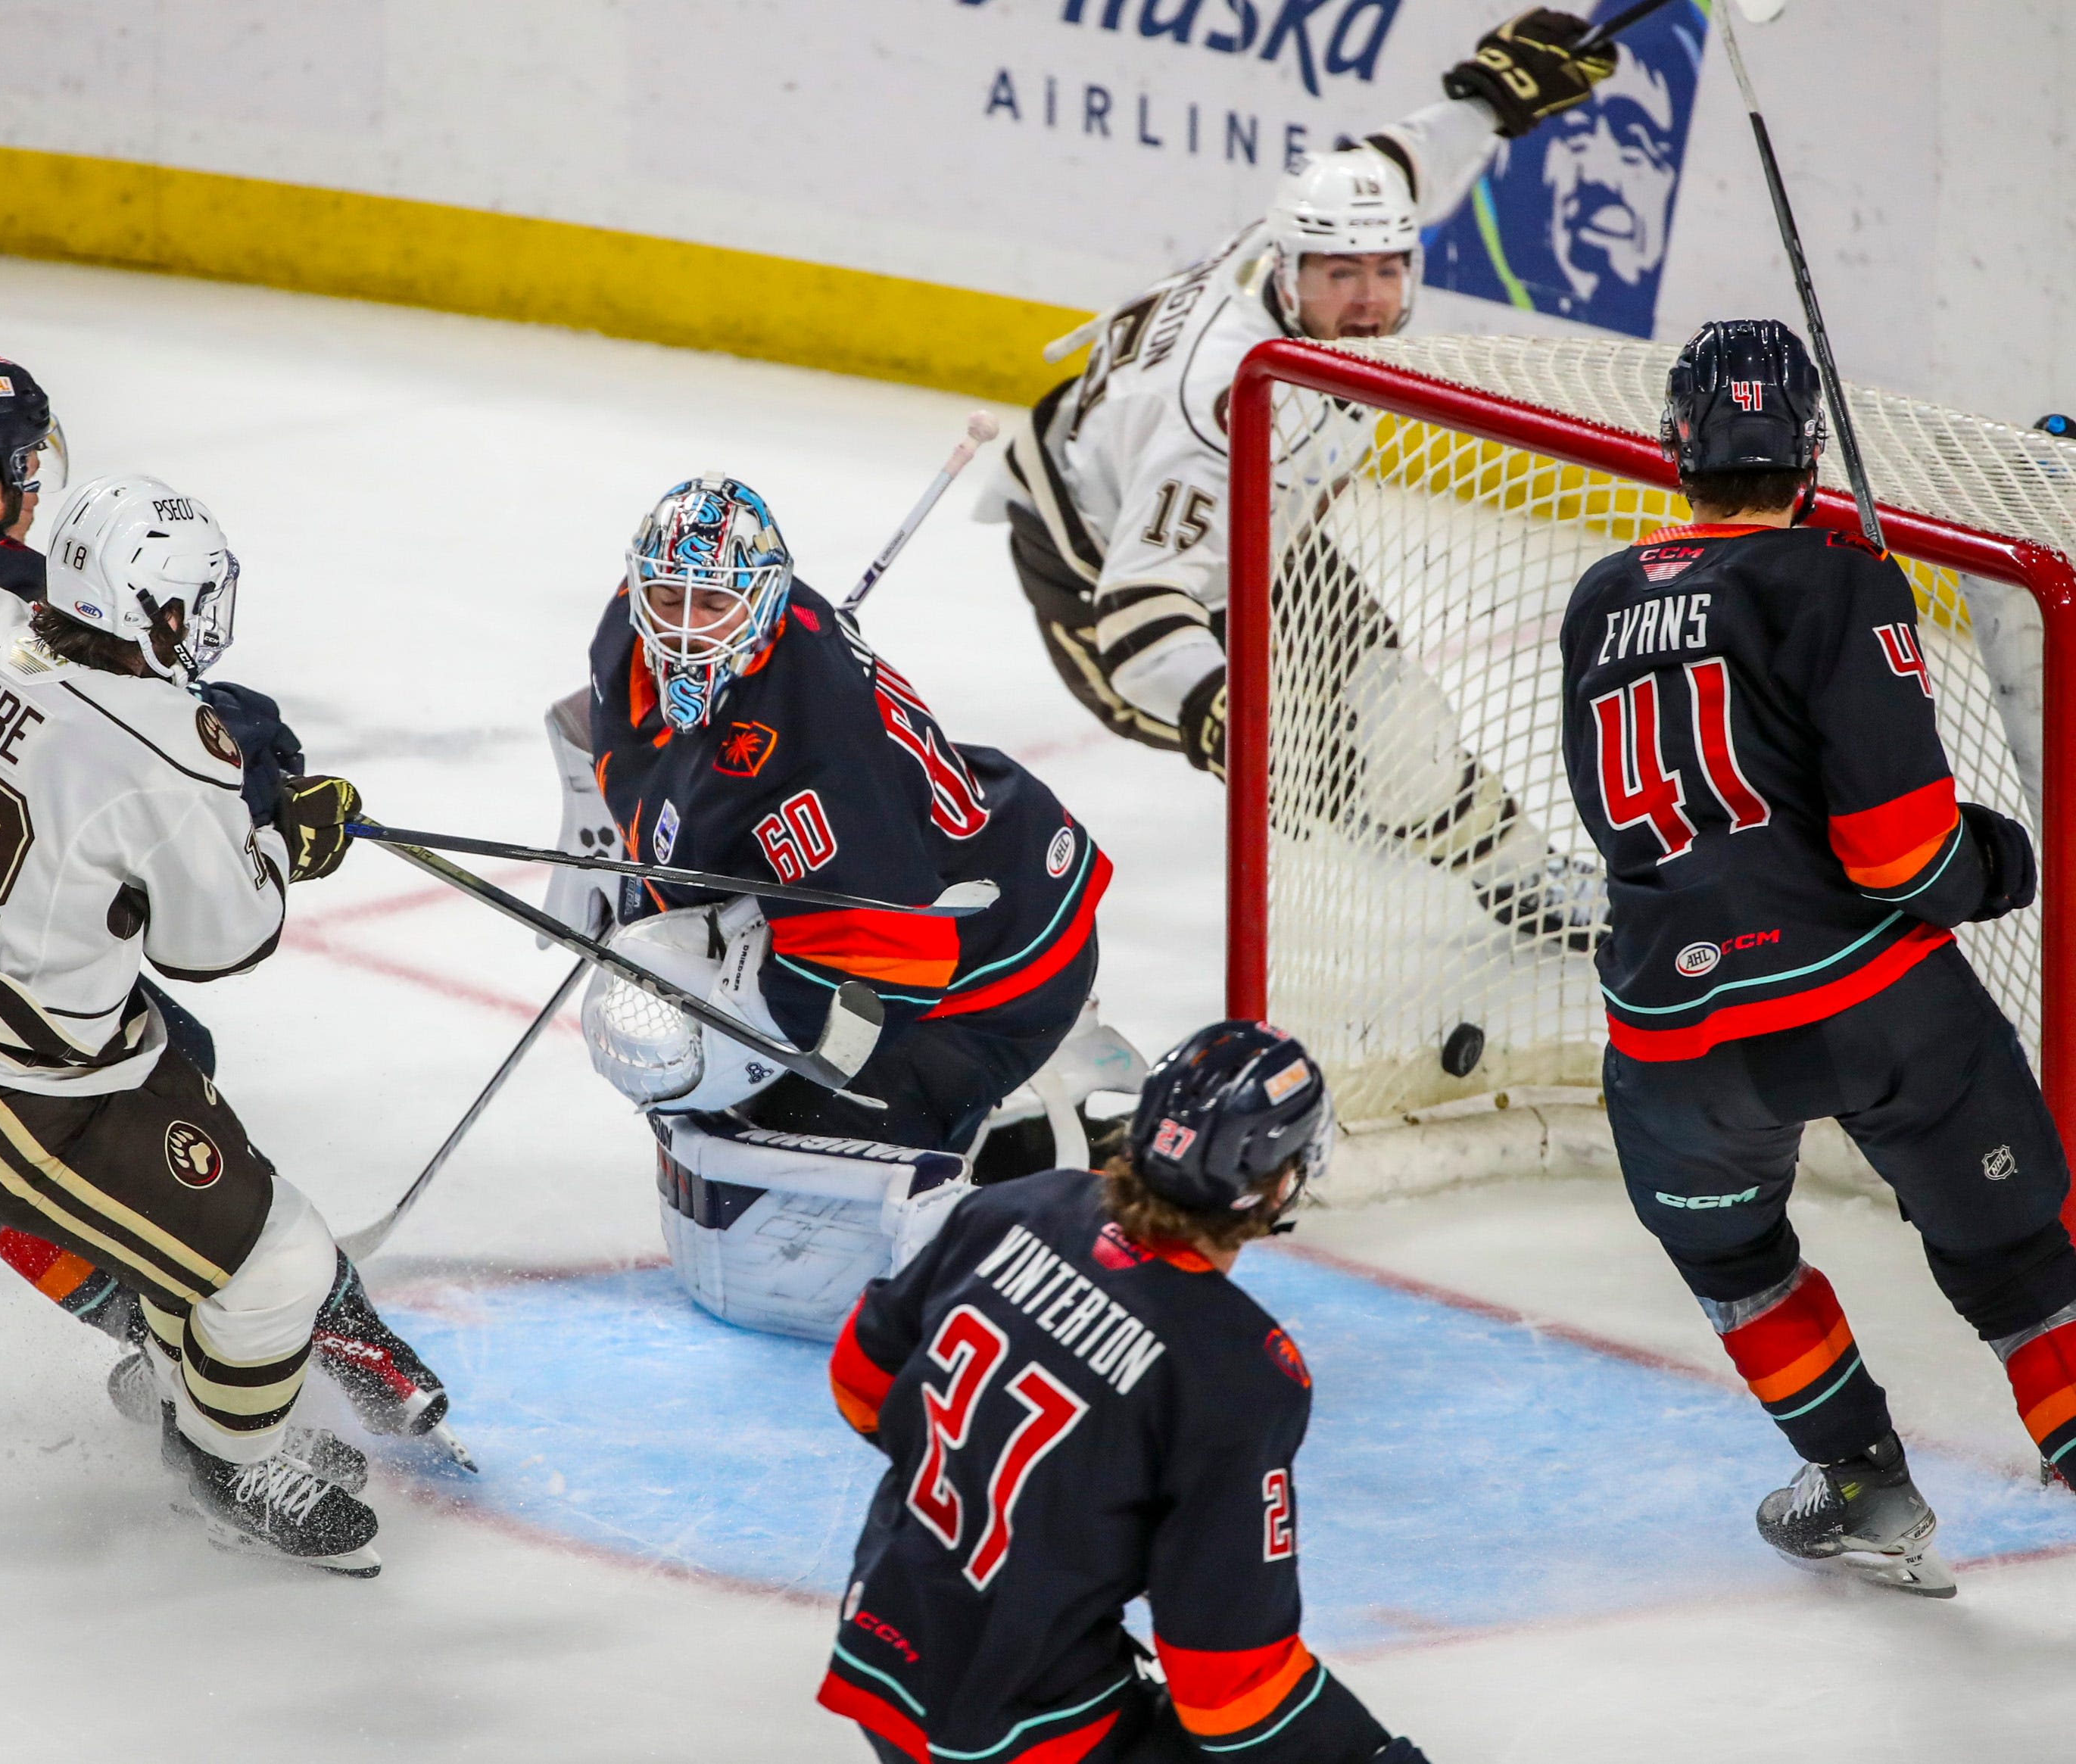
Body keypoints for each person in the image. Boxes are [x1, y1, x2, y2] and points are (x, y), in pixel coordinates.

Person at [0, 354, 462, 1463]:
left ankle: (216, 1336)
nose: (31, 486)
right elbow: (122, 738)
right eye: (19, 467)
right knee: (85, 1124)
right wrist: (259, 778)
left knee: (24, 1172)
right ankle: (284, 1355)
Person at [1559, 318, 2074, 1597]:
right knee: (2017, 1266)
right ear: (1810, 451)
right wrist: (2001, 865)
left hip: (1674, 1042)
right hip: (1869, 1005)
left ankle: (1859, 1481)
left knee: (1735, 1260)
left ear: (1674, 445)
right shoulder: (1841, 579)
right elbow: (1904, 855)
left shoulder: (1595, 597)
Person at [984, 8, 1616, 944]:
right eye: (1341, 276)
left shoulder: (1295, 254)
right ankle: (1396, 816)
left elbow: (1396, 168)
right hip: (1096, 571)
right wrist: (1214, 708)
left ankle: (1510, 869)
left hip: (1251, 528)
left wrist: (1485, 103)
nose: (1369, 301)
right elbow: (1138, 613)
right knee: (1331, 762)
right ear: (1289, 269)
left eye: (1388, 270)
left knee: (1398, 713)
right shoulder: (1223, 405)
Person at [557, 477, 1124, 1338]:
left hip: (993, 962)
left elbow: (891, 966)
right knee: (694, 1049)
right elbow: (633, 756)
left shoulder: (820, 750)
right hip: (892, 891)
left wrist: (779, 1055)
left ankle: (1047, 1126)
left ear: (764, 597)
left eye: (710, 601)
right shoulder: (635, 633)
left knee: (781, 1138)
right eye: (665, 594)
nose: (678, 624)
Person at [817, 1020, 1428, 1764]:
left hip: (882, 1643)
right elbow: (1229, 1687)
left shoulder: (1019, 1204)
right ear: (1279, 1180)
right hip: (1019, 1728)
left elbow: (860, 1380)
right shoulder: (1236, 1370)